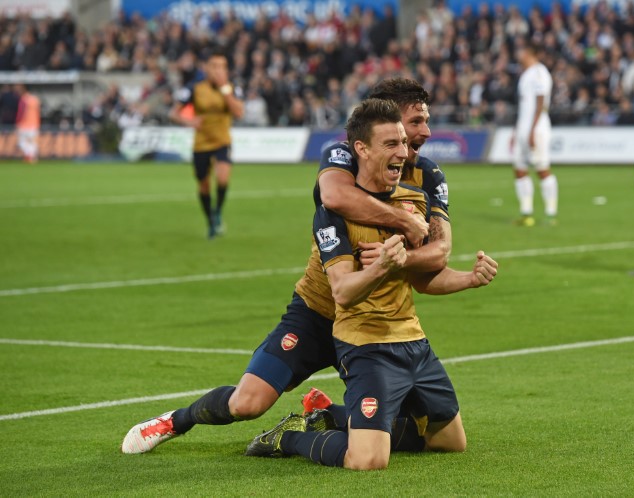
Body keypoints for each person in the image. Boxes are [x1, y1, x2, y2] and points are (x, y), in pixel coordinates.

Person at [120, 79, 447, 455]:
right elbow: (334, 195)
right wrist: (404, 224)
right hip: (319, 311)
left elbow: (441, 252)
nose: (423, 133)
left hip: (376, 328)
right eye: (414, 123)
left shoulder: (428, 178)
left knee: (420, 428)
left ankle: (324, 415)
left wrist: (405, 261)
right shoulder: (343, 157)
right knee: (248, 403)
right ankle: (176, 420)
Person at [243, 99, 498, 470]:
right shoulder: (333, 213)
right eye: (391, 144)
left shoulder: (415, 202)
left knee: (449, 442)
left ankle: (333, 415)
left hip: (413, 341)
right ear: (360, 149)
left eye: (403, 143)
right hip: (367, 343)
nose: (404, 152)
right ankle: (289, 437)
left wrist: (469, 279)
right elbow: (343, 292)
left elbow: (423, 279)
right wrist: (382, 266)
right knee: (367, 460)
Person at [169, 48, 244, 239]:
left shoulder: (231, 87)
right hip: (201, 144)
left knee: (223, 178)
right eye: (214, 66)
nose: (218, 70)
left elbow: (239, 112)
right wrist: (189, 121)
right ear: (206, 68)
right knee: (203, 186)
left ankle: (218, 211)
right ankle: (210, 221)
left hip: (222, 141)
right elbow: (174, 113)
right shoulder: (194, 88)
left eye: (222, 66)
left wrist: (225, 89)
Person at [511, 41, 558, 227]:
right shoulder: (526, 74)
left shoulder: (540, 72)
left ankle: (550, 214)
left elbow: (541, 102)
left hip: (536, 128)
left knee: (542, 169)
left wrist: (532, 129)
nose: (519, 54)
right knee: (519, 168)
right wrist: (517, 131)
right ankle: (526, 213)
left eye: (522, 50)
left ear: (530, 52)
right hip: (524, 127)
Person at [15, 84, 40, 164]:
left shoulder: (23, 100)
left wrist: (18, 122)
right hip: (34, 124)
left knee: (21, 142)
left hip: (24, 124)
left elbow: (21, 113)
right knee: (32, 142)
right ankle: (32, 157)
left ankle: (29, 155)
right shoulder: (35, 99)